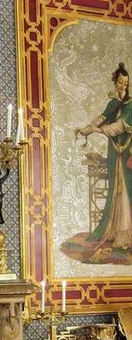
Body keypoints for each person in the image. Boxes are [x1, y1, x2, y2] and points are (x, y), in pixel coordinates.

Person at [62, 62, 132, 263]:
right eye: (120, 82)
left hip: (127, 151)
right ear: (115, 82)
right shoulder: (113, 103)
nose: (123, 86)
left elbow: (119, 127)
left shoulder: (130, 105)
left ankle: (126, 233)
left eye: (126, 83)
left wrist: (97, 130)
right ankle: (115, 229)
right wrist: (87, 128)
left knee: (126, 189)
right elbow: (102, 117)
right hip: (115, 152)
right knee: (116, 190)